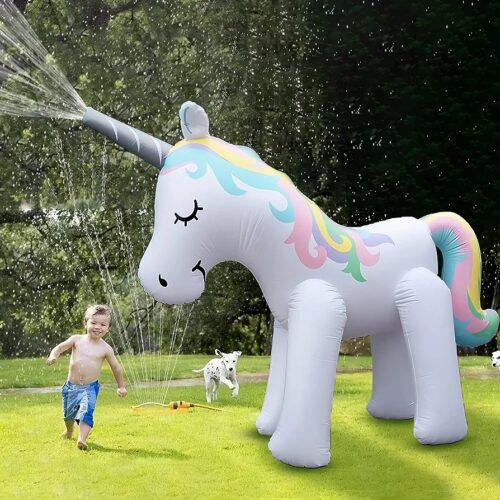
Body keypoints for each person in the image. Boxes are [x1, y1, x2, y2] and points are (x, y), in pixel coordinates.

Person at [47, 304, 127, 450]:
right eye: (94, 322)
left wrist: (121, 386)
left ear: (108, 328)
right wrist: (53, 356)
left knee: (86, 412)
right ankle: (69, 430)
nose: (98, 327)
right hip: (71, 387)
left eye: (103, 324)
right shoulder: (76, 340)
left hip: (90, 388)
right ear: (85, 323)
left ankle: (82, 439)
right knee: (68, 416)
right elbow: (60, 347)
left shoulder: (106, 349)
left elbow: (116, 367)